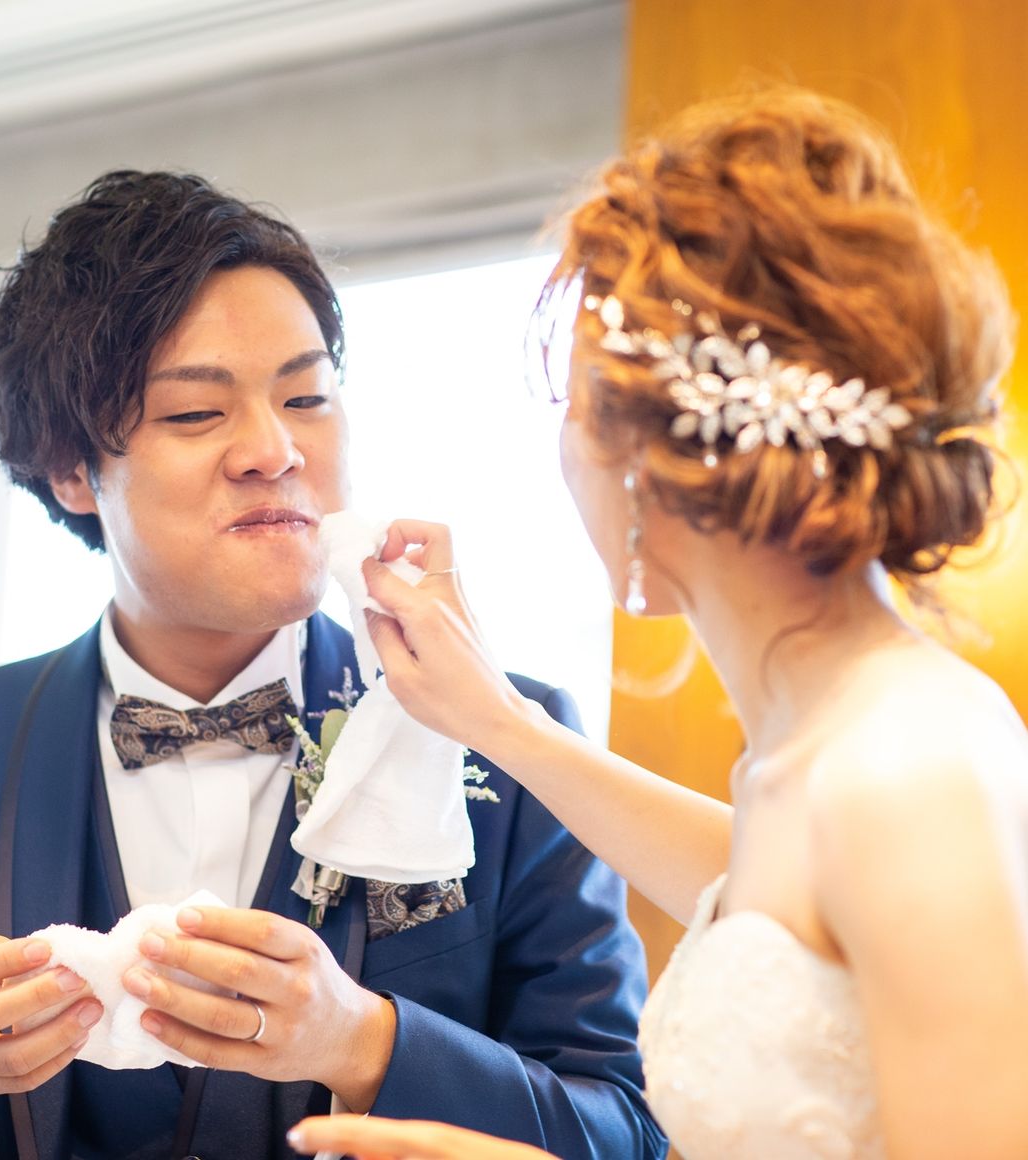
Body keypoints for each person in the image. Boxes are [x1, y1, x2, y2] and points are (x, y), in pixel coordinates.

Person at [288, 87, 1028, 1160]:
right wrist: (495, 719)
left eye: (575, 406)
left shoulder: (904, 769)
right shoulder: (816, 750)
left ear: (649, 458)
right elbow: (765, 898)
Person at [0, 171, 667, 1159]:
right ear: (71, 468)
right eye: (195, 413)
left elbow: (623, 1133)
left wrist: (364, 1040)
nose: (274, 449)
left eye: (306, 396)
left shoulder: (510, 741)